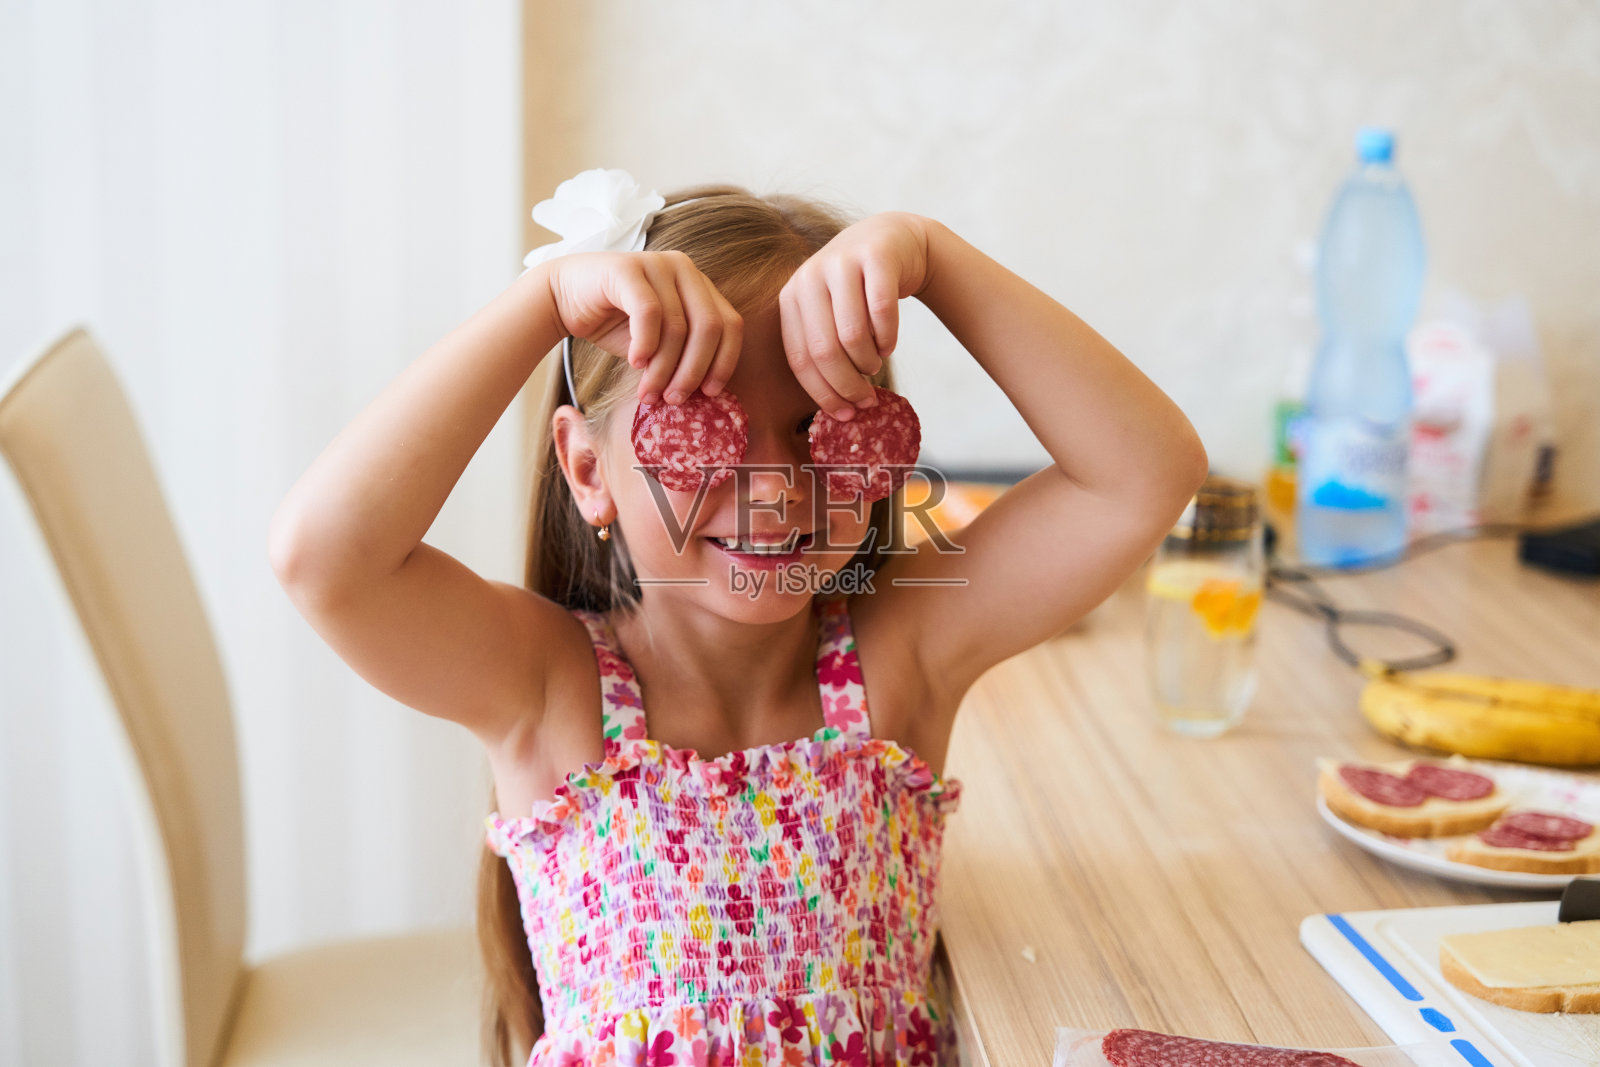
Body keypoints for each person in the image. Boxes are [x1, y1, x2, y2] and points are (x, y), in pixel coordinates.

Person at [269, 169, 1209, 1067]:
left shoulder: (898, 657)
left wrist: (936, 258)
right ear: (590, 469)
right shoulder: (546, 691)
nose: (773, 490)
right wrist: (546, 302)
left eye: (817, 426)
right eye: (697, 422)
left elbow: (1143, 474)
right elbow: (325, 559)